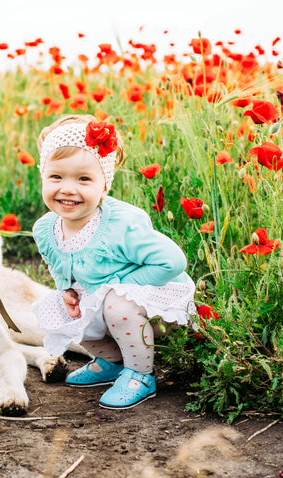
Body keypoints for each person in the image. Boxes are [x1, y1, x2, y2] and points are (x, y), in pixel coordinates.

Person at [31, 114, 196, 410]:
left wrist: (118, 287)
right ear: (42, 177)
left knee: (115, 304)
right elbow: (59, 266)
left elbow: (172, 263)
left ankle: (141, 374)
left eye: (83, 179)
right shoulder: (45, 229)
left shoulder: (120, 224)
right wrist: (66, 291)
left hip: (151, 297)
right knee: (62, 309)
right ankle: (112, 361)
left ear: (104, 185)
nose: (68, 188)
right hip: (101, 295)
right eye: (56, 177)